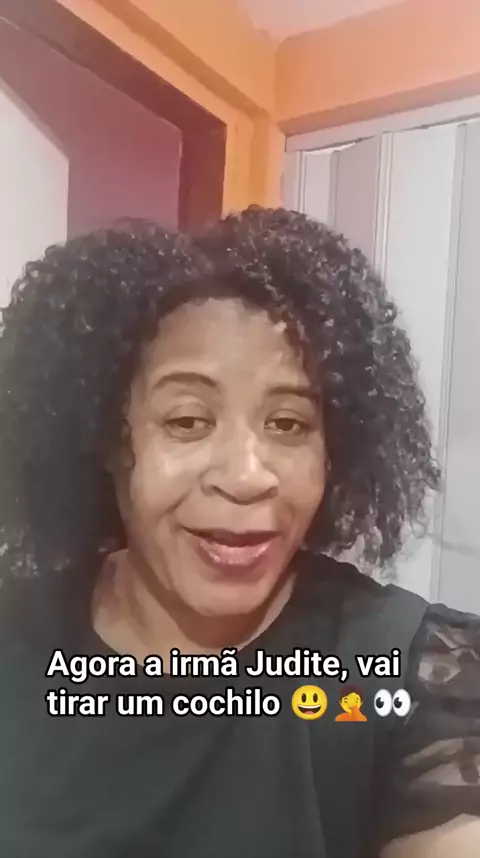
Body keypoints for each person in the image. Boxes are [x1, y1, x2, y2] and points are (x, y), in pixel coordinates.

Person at [0, 207, 478, 858]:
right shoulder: (15, 640)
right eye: (187, 421)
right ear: (110, 438)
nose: (247, 477)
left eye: (288, 424)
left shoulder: (412, 677)